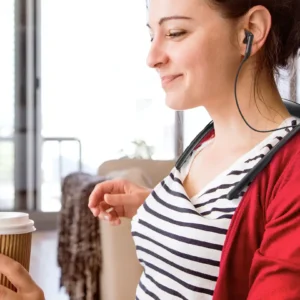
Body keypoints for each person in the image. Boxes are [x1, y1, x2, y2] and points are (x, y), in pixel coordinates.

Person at [1, 0, 299, 299]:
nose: (152, 57)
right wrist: (155, 205)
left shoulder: (292, 171)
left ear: (251, 30)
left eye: (175, 32)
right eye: (151, 36)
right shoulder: (206, 142)